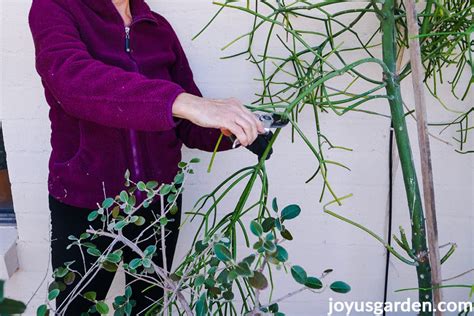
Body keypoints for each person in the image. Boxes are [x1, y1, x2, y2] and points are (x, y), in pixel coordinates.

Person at [29, 0, 265, 314]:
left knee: (148, 306)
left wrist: (236, 129)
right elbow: (73, 81)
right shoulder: (55, 8)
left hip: (159, 202)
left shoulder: (157, 27)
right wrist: (184, 102)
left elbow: (186, 123)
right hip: (85, 202)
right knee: (77, 308)